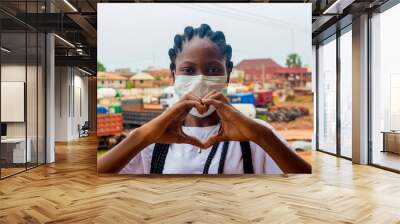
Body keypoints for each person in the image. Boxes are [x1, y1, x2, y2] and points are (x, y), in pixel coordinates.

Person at [97, 24, 311, 174]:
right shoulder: (154, 138)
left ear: (227, 75)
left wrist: (262, 136)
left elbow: (306, 181)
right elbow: (95, 177)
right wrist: (140, 137)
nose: (200, 80)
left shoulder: (256, 136)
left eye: (212, 69)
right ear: (173, 76)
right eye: (188, 70)